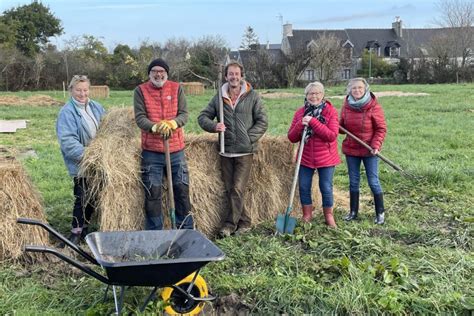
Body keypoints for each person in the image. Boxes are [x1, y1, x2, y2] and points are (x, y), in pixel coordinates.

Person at [198, 61, 268, 237]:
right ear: (226, 76)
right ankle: (244, 222)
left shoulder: (253, 96)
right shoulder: (219, 97)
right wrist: (214, 127)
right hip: (225, 149)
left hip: (245, 152)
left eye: (237, 74)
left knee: (237, 188)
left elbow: (262, 121)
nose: (234, 77)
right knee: (230, 189)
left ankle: (229, 225)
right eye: (231, 74)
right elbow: (202, 117)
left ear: (241, 75)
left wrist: (248, 138)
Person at [134, 58, 194, 230]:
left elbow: (184, 114)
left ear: (166, 73)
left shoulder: (176, 89)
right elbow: (140, 118)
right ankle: (155, 232)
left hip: (176, 150)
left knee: (181, 190)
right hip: (151, 152)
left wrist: (173, 124)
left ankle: (186, 230)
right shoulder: (141, 91)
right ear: (149, 74)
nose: (158, 74)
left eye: (161, 71)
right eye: (154, 71)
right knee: (153, 193)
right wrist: (154, 127)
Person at [56, 75, 106, 245]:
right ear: (71, 90)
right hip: (83, 162)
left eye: (85, 90)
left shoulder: (96, 107)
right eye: (78, 90)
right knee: (82, 196)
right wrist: (89, 156)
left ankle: (85, 228)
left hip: (100, 160)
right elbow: (68, 142)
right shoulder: (67, 112)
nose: (82, 94)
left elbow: (107, 130)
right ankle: (75, 233)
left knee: (94, 196)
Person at [287, 82, 341, 228]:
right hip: (305, 158)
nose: (314, 96)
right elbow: (292, 137)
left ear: (323, 95)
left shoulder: (330, 111)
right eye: (311, 93)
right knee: (304, 186)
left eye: (317, 93)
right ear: (306, 95)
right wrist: (301, 124)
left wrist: (313, 122)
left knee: (326, 187)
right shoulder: (300, 113)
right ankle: (307, 215)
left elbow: (331, 135)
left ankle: (329, 216)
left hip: (326, 158)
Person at [339, 77, 387, 225]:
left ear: (365, 89)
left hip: (370, 151)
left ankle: (380, 213)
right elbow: (341, 128)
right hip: (352, 149)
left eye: (360, 88)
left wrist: (375, 145)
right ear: (349, 90)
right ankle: (353, 212)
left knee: (373, 181)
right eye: (354, 88)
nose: (357, 90)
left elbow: (381, 128)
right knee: (353, 182)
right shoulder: (346, 106)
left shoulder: (373, 106)